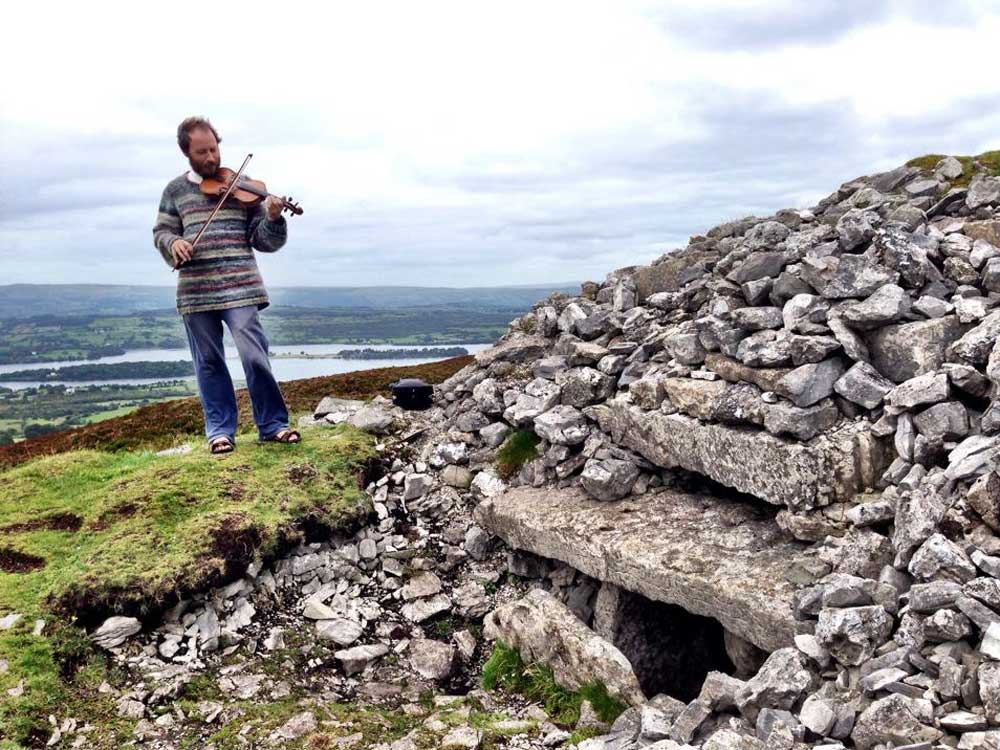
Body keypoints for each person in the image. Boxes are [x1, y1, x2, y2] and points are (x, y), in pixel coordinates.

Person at [152, 116, 300, 454]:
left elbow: (264, 241)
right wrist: (172, 244)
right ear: (186, 153)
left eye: (214, 150)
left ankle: (273, 425)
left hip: (241, 286)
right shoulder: (175, 191)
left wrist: (273, 218)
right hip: (195, 291)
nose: (211, 159)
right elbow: (162, 232)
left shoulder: (243, 187)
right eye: (202, 152)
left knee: (254, 355)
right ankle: (220, 431)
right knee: (208, 362)